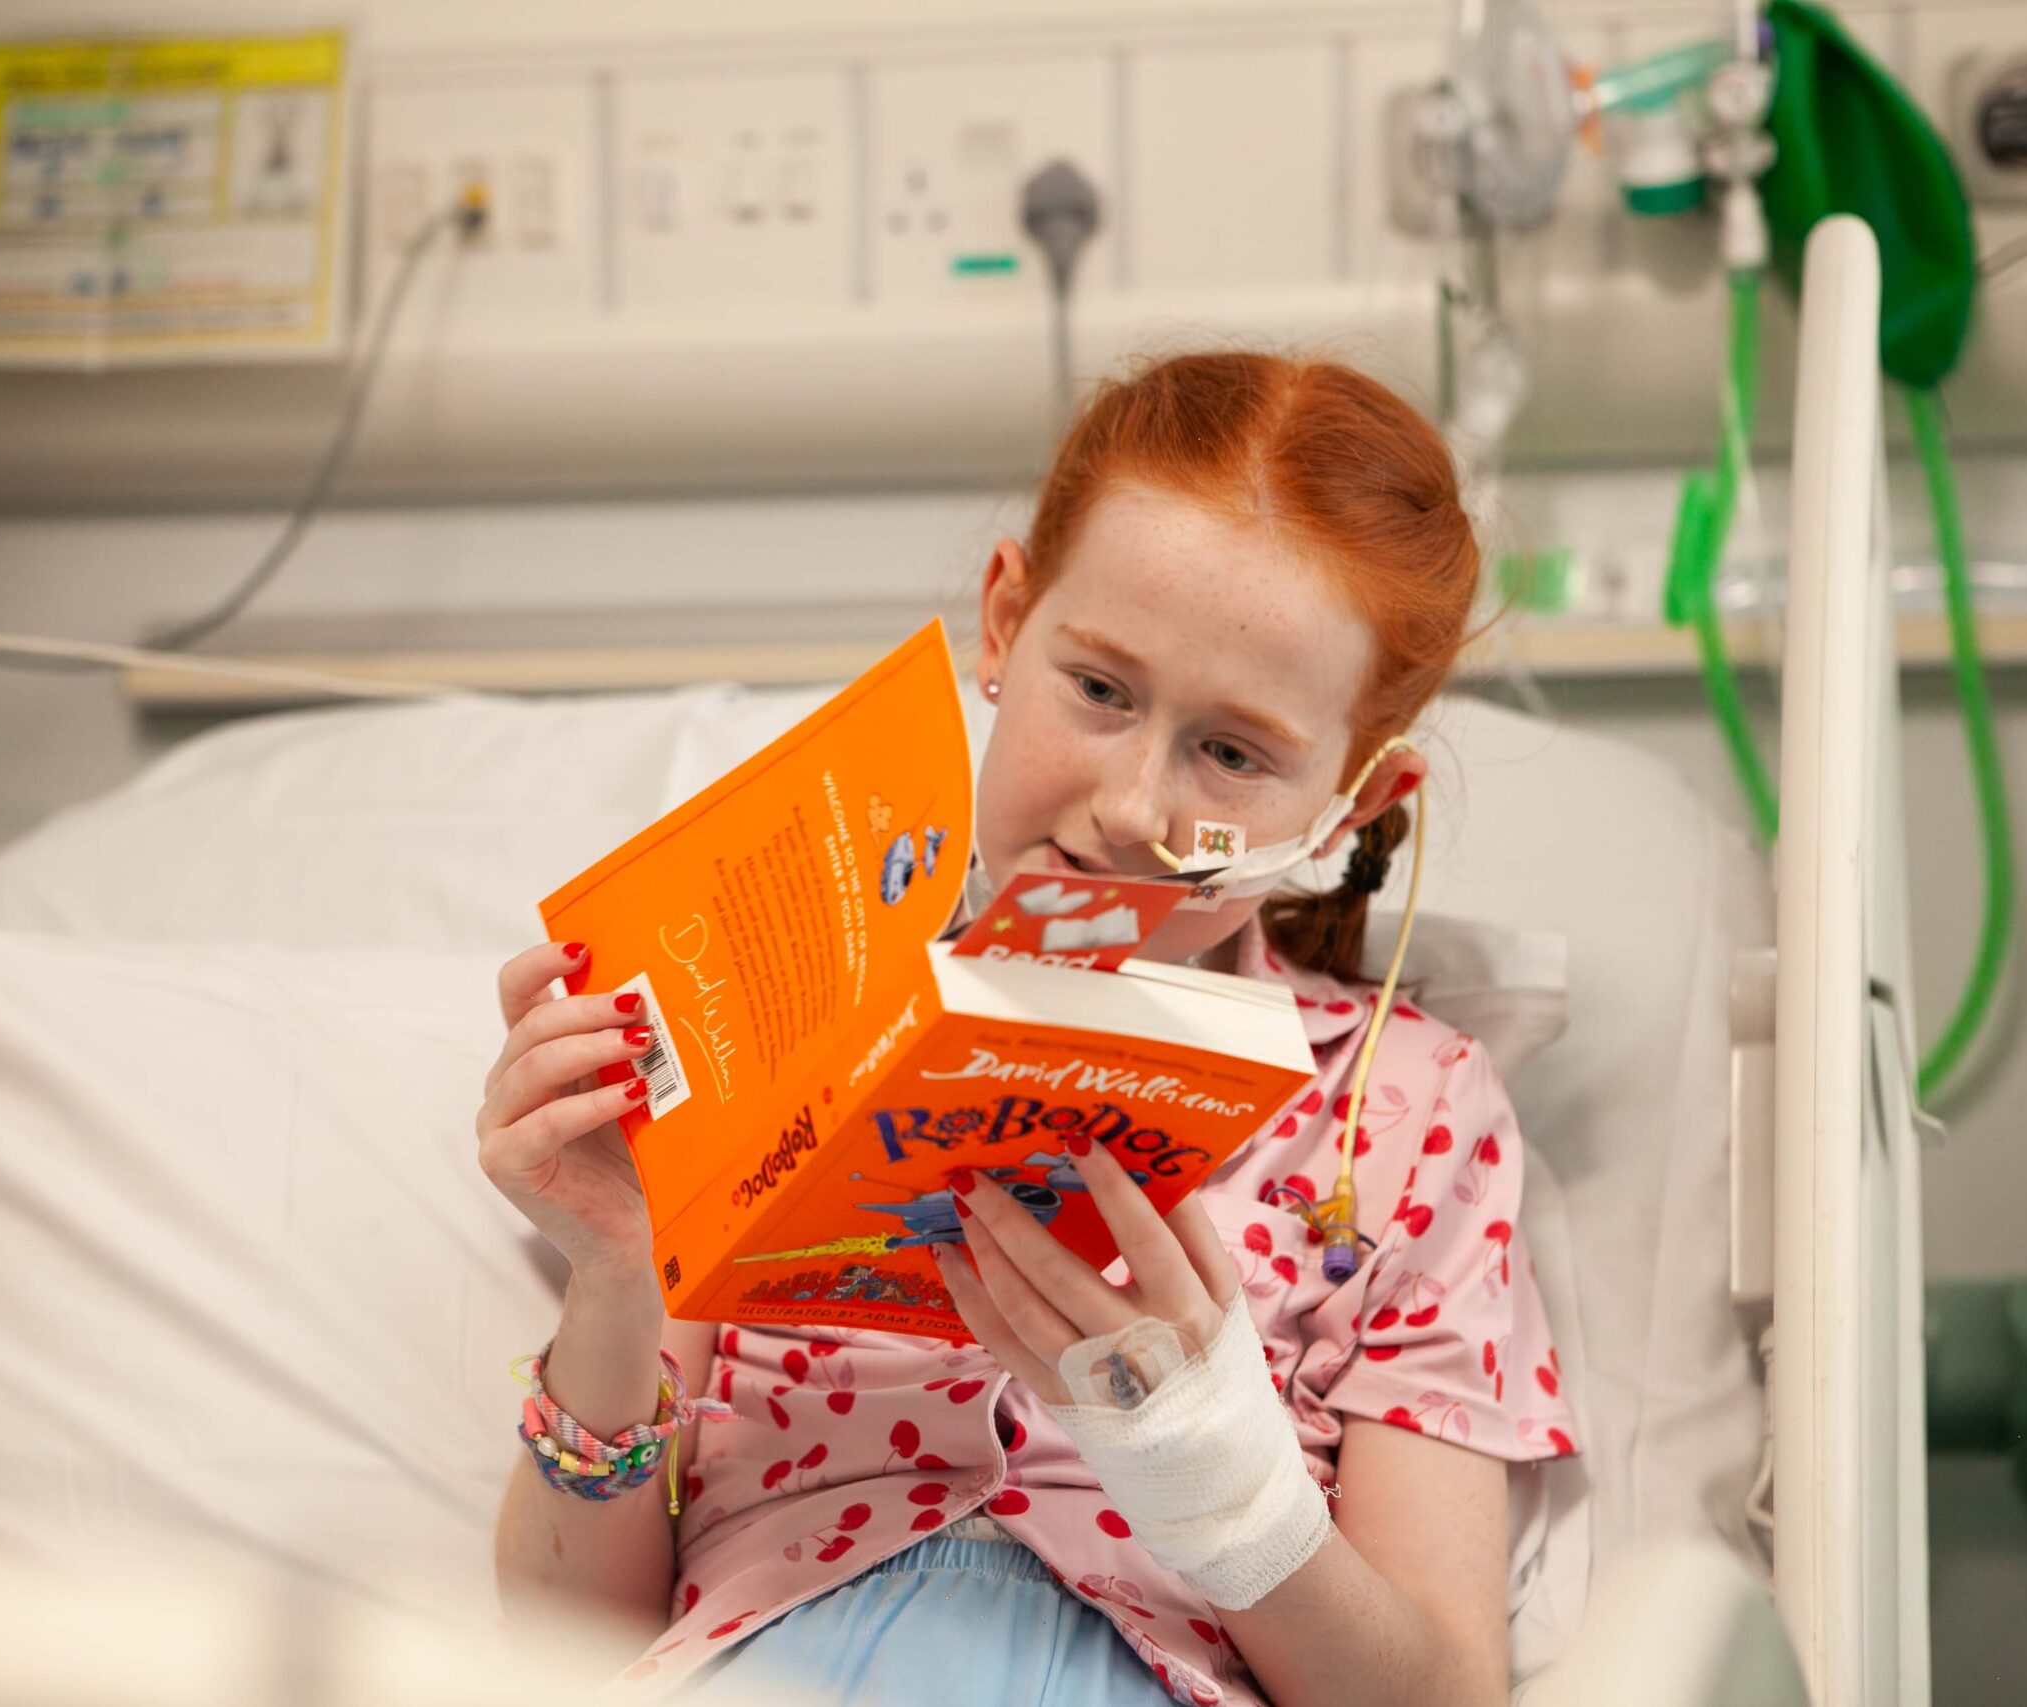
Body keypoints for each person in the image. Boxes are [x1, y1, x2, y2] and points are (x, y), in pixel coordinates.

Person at [479, 352, 1575, 1707]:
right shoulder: (796, 995)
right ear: (1004, 623)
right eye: (1101, 692)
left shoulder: (1407, 1115)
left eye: (1231, 754)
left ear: (1354, 803)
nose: (1127, 804)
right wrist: (620, 1270)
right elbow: (560, 1641)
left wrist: (1215, 1467)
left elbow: (1437, 1697)